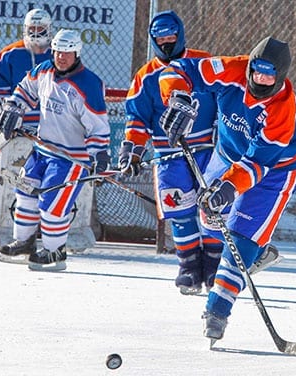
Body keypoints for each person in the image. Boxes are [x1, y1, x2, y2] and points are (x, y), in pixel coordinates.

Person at [158, 37, 296, 340]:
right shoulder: (232, 69)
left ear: (280, 77)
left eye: (269, 75)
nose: (260, 80)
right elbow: (178, 69)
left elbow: (257, 163)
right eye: (257, 71)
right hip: (226, 153)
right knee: (208, 215)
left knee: (239, 242)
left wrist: (228, 187)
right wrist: (178, 96)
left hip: (275, 171)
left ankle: (217, 310)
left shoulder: (283, 108)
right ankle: (255, 253)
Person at [119, 10, 222, 295]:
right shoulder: (144, 76)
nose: (166, 42)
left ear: (181, 35)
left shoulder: (202, 62)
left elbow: (224, 98)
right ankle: (189, 267)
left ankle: (213, 266)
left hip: (206, 150)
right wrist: (133, 151)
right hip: (168, 155)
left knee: (212, 210)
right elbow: (136, 118)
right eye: (160, 38)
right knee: (180, 212)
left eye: (171, 36)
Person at [0, 28, 111, 271]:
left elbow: (98, 126)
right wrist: (14, 107)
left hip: (70, 158)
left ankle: (55, 251)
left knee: (52, 203)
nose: (61, 57)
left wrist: (98, 154)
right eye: (58, 51)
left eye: (67, 53)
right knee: (25, 191)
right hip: (42, 150)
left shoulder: (88, 84)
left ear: (77, 53)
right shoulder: (44, 70)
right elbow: (25, 89)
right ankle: (24, 242)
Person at [0, 8, 54, 249]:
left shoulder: (60, 55)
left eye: (40, 29)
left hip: (50, 136)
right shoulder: (9, 55)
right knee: (17, 184)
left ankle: (53, 236)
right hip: (18, 134)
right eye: (31, 29)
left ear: (49, 30)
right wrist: (5, 123)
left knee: (52, 185)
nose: (35, 34)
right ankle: (8, 232)